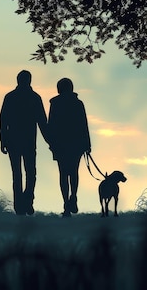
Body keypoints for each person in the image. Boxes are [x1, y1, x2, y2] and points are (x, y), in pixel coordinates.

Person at [0, 70, 48, 215]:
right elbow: (43, 123)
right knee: (30, 173)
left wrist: (3, 140)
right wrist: (51, 142)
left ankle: (20, 205)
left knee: (17, 174)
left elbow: (3, 121)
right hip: (28, 141)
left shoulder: (10, 97)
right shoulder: (35, 98)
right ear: (29, 81)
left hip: (14, 141)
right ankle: (27, 200)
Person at [47, 78, 91, 217]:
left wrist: (51, 143)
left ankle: (66, 203)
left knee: (63, 174)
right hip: (76, 144)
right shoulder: (78, 103)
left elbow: (51, 125)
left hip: (60, 144)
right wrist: (87, 144)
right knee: (74, 172)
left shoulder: (55, 104)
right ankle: (73, 196)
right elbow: (84, 124)